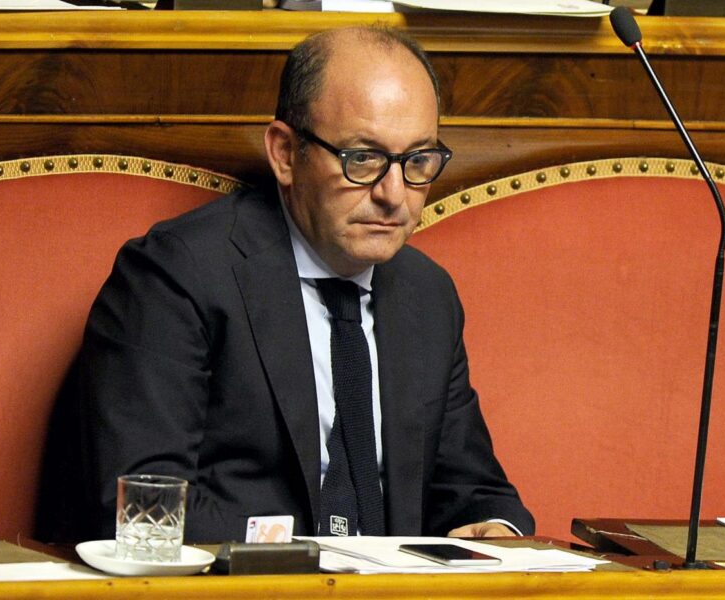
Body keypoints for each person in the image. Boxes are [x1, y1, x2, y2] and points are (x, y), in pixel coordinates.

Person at [79, 25, 534, 542]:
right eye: (363, 158)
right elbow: (142, 509)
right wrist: (317, 557)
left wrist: (494, 532)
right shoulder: (176, 276)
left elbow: (473, 491)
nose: (394, 194)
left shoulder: (426, 295)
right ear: (285, 153)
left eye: (417, 161)